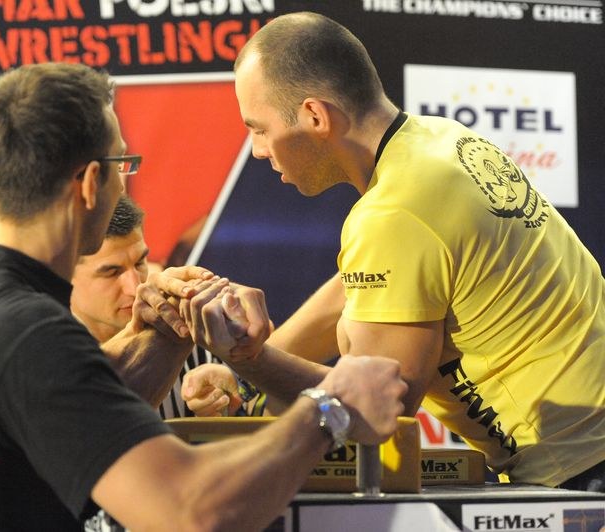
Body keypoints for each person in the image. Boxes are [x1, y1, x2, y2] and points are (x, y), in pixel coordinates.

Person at [0, 61, 408, 531]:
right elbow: (190, 511)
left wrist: (167, 331)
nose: (125, 184)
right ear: (92, 183)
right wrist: (330, 409)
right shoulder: (27, 335)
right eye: (123, 163)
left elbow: (72, 400)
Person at [181, 11, 605, 491]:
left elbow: (377, 409)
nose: (258, 150)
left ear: (315, 116)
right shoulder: (440, 139)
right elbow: (370, 284)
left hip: (581, 468)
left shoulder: (394, 212)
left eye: (259, 129)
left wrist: (249, 359)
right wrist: (247, 373)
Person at [70, 193, 234, 418]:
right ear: (64, 273)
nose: (135, 286)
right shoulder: (43, 355)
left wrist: (228, 397)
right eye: (111, 272)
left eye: (140, 262)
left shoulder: (189, 330)